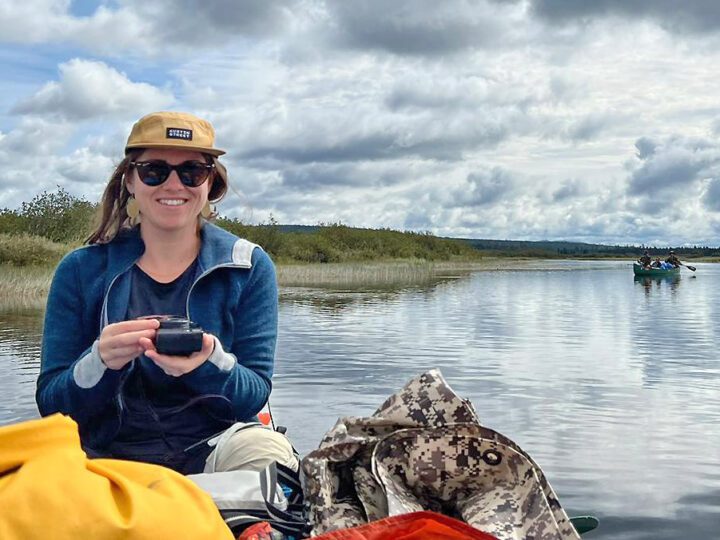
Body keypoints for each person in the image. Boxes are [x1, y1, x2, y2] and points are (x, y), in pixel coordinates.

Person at [36, 111, 297, 475]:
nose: (174, 184)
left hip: (217, 448)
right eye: (154, 170)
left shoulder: (249, 266)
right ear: (130, 179)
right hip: (103, 455)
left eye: (192, 171)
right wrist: (100, 361)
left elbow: (253, 395)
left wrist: (210, 362)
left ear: (211, 183)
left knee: (269, 452)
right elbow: (52, 404)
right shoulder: (80, 269)